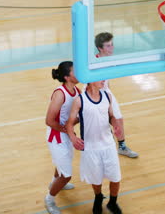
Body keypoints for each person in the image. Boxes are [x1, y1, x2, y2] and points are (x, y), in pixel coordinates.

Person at [66, 80, 123, 214]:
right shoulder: (79, 101)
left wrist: (116, 125)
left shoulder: (107, 96)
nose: (104, 81)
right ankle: (98, 198)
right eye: (100, 79)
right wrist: (73, 138)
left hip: (108, 145)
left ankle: (113, 203)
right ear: (90, 81)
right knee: (96, 179)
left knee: (115, 177)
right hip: (91, 147)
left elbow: (111, 116)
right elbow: (69, 124)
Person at [94, 32, 138, 158]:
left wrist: (109, 96)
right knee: (98, 123)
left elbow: (107, 82)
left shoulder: (110, 60)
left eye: (112, 45)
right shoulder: (95, 62)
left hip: (106, 92)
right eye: (108, 46)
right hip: (94, 94)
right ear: (100, 48)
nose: (111, 48)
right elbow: (93, 85)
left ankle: (122, 147)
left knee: (118, 119)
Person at [44, 61, 80, 214]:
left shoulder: (77, 90)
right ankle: (49, 199)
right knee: (66, 175)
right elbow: (49, 121)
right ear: (66, 77)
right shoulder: (60, 94)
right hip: (57, 136)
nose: (79, 72)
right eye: (74, 71)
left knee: (63, 164)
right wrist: (68, 131)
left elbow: (73, 117)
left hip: (66, 134)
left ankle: (54, 183)